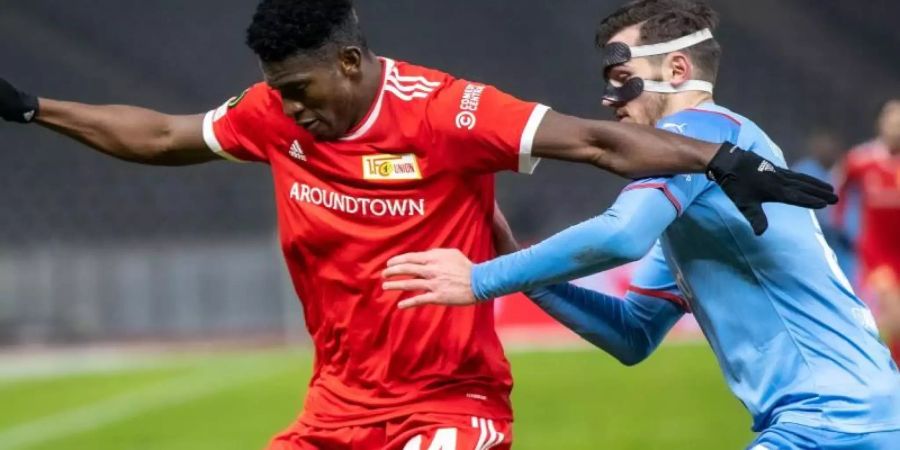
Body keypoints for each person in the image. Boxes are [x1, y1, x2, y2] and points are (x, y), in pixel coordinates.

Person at [0, 0, 837, 449]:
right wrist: (32, 108)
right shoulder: (274, 113)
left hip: (448, 407)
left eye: (300, 90)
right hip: (334, 412)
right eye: (277, 93)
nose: (287, 110)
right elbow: (159, 135)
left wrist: (717, 159)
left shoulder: (450, 111)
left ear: (352, 63)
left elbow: (596, 141)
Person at [382, 1, 900, 448]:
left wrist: (478, 279)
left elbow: (619, 234)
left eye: (622, 82)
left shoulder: (699, 130)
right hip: (857, 412)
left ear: (677, 71)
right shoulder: (697, 196)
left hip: (831, 420)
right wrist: (525, 272)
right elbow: (632, 334)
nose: (610, 101)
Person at [836, 99, 900, 367]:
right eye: (893, 121)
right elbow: (838, 193)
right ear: (881, 124)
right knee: (896, 316)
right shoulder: (861, 160)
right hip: (877, 253)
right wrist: (841, 228)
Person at [793, 130, 857, 280]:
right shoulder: (803, 171)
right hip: (811, 239)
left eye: (830, 145)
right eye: (822, 145)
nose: (826, 149)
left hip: (842, 242)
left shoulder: (847, 171)